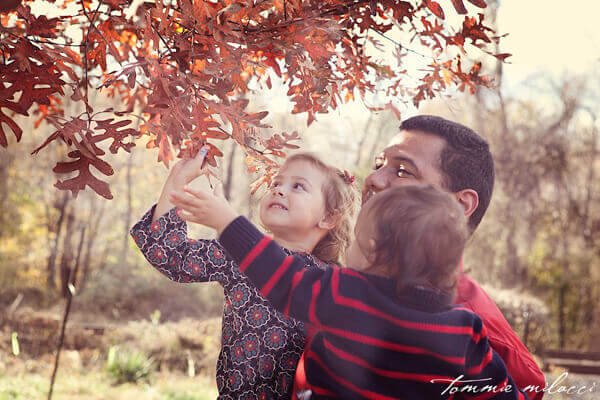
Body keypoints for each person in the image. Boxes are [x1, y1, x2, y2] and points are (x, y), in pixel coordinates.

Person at [171, 181, 530, 399]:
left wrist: (227, 222)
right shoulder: (465, 331)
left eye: (355, 239)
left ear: (371, 247)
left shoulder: (348, 295)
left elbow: (282, 279)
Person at [130, 149, 357, 399]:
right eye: (276, 183)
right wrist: (178, 178)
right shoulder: (240, 256)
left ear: (328, 217)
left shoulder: (334, 282)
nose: (279, 190)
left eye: (298, 186)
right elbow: (168, 253)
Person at [360, 115, 545, 398]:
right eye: (378, 164)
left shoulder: (484, 343)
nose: (373, 178)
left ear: (458, 206)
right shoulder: (327, 280)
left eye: (402, 171)